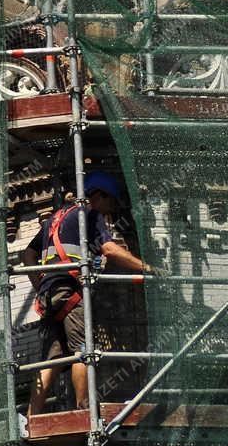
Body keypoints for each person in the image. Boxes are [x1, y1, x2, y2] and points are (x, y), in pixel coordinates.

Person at [23, 170, 154, 417]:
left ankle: (33, 417)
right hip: (70, 291)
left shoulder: (55, 218)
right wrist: (146, 268)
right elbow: (109, 249)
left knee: (51, 357)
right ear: (99, 196)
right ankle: (83, 410)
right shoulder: (89, 214)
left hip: (49, 295)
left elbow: (27, 256)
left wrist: (40, 284)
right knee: (83, 349)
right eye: (109, 204)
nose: (109, 213)